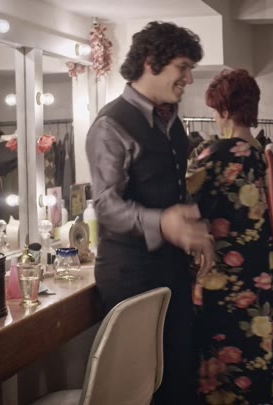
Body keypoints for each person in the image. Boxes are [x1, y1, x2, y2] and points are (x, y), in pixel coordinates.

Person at [86, 21, 214, 404]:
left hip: (171, 269)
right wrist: (164, 223)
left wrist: (195, 230)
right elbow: (106, 206)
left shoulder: (170, 120)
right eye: (182, 67)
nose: (189, 79)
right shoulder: (110, 124)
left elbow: (170, 187)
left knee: (179, 378)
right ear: (150, 62)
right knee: (140, 386)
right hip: (130, 273)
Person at [187, 69, 273, 404]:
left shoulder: (218, 153)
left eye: (215, 111)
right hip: (258, 274)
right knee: (257, 351)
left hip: (225, 282)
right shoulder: (258, 152)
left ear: (224, 109)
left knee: (226, 362)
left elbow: (182, 202)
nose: (214, 119)